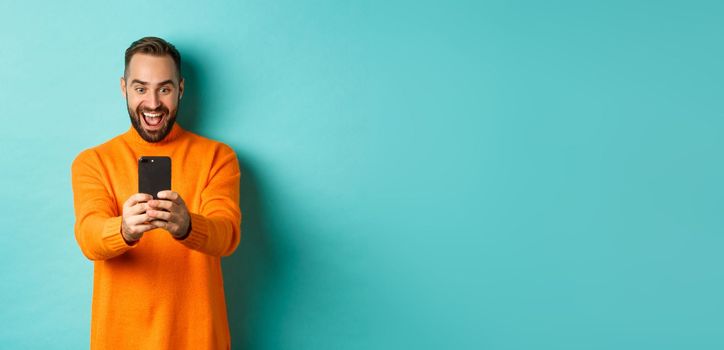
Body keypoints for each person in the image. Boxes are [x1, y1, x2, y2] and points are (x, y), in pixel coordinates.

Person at [71, 36, 242, 349]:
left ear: (180, 89)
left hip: (199, 340)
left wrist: (187, 226)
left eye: (164, 88)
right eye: (140, 88)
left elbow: (227, 234)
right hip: (119, 341)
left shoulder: (218, 157)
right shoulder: (93, 162)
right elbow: (88, 236)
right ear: (124, 88)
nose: (152, 103)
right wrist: (122, 229)